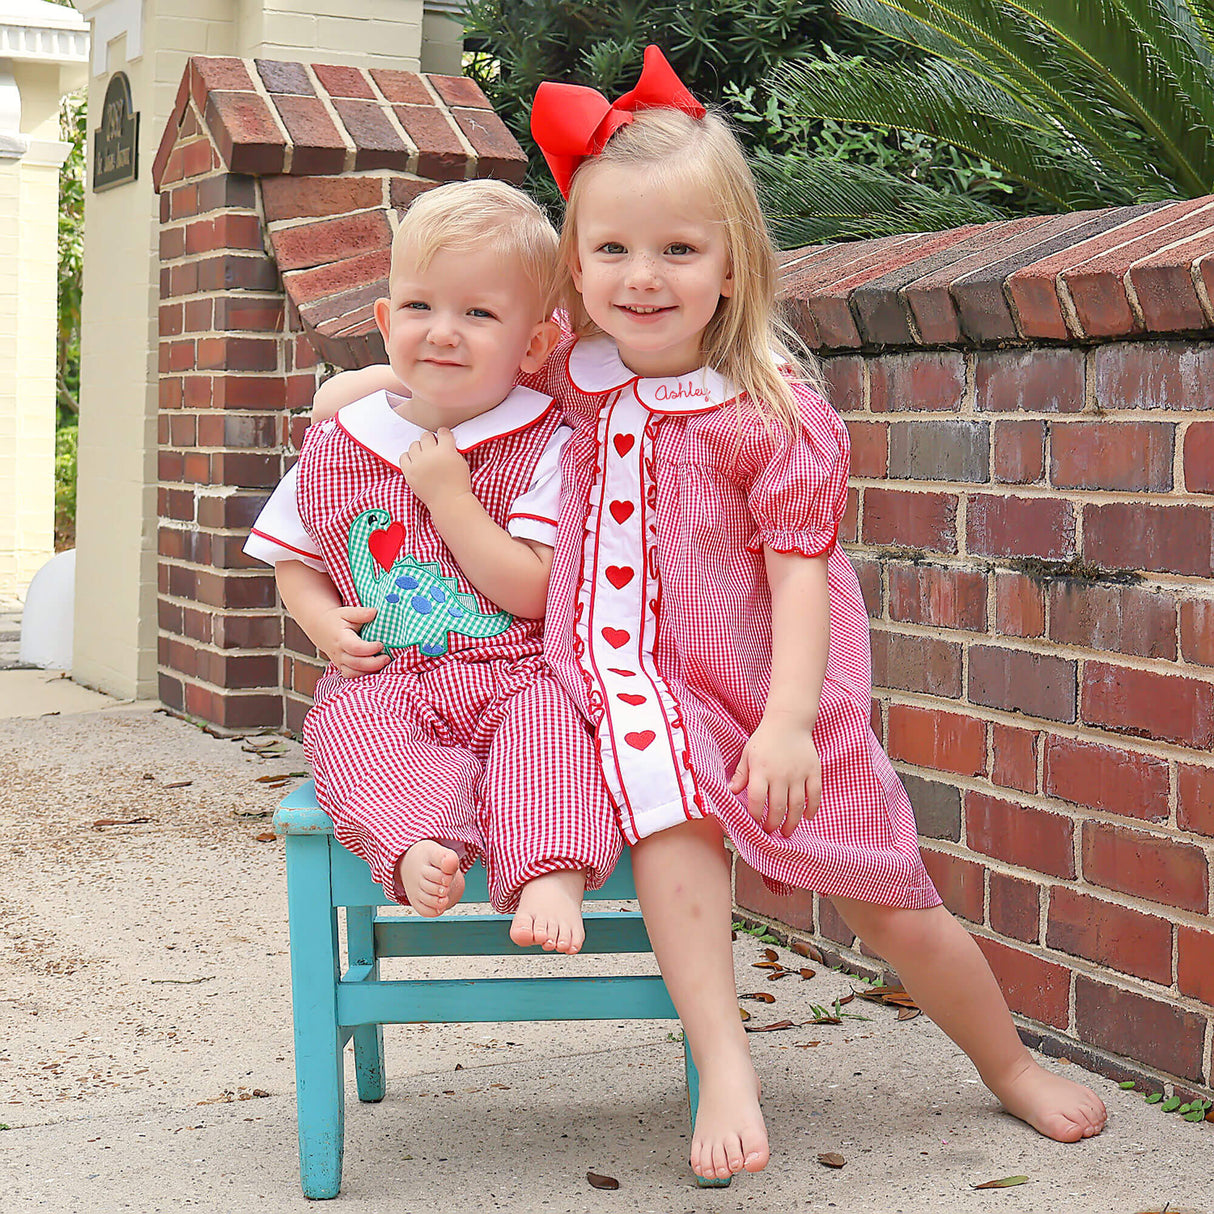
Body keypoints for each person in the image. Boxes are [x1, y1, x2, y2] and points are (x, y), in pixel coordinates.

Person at [309, 49, 1108, 1182]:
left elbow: (797, 574)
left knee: (886, 892)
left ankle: (1004, 1064)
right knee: (672, 834)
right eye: (613, 250)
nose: (643, 277)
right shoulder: (570, 373)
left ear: (732, 262)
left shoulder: (767, 410)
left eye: (677, 250)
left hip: (768, 684)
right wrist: (348, 391)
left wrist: (787, 720)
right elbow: (444, 374)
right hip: (629, 681)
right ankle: (721, 1054)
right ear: (574, 273)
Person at [245, 179, 621, 954]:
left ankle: (550, 868)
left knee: (558, 729)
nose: (442, 332)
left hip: (515, 672)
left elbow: (536, 590)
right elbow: (294, 558)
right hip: (388, 680)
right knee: (344, 730)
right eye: (419, 308)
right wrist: (322, 624)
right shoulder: (342, 441)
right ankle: (417, 841)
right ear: (386, 322)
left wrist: (451, 500)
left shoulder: (544, 442)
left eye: (478, 313)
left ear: (533, 346)